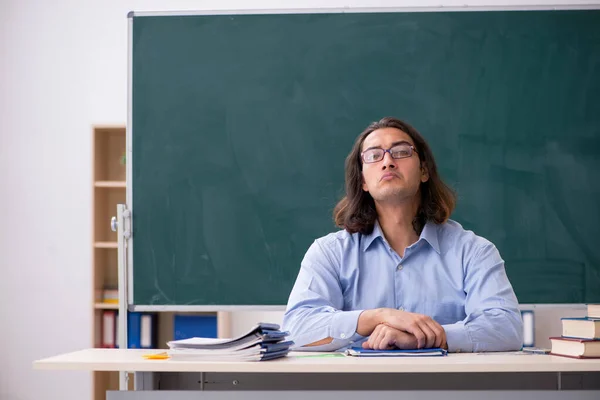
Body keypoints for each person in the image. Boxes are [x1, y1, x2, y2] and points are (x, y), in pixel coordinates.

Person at [282, 117, 523, 353]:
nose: (387, 162)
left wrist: (424, 338)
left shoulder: (473, 251)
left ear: (424, 171)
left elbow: (507, 329)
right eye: (374, 155)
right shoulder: (329, 253)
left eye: (400, 151)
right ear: (363, 181)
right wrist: (379, 316)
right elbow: (296, 329)